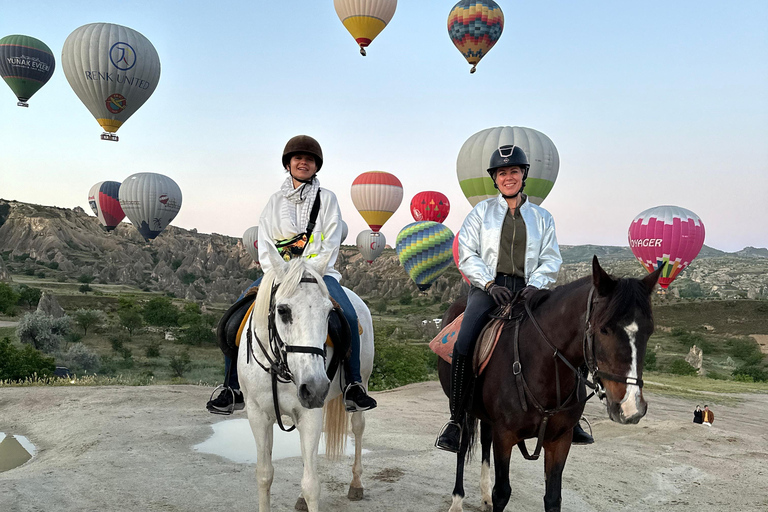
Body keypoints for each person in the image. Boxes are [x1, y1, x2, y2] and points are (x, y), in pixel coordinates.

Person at [435, 144, 592, 453]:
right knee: (465, 341)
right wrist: (488, 283)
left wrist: (536, 285)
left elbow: (550, 257)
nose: (509, 177)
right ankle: (456, 419)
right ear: (495, 179)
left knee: (574, 339)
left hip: (531, 290)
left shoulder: (542, 217)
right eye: (502, 173)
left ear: (524, 176)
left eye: (514, 172)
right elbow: (467, 252)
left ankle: (572, 419)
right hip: (489, 290)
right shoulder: (480, 213)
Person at [207, 135, 377, 414]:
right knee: (235, 318)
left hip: (319, 274)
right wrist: (279, 270)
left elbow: (331, 241)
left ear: (316, 166)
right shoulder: (274, 202)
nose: (303, 163)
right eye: (298, 158)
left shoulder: (328, 199)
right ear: (288, 164)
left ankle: (353, 385)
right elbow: (265, 242)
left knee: (347, 316)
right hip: (280, 273)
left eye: (309, 159)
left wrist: (310, 269)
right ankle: (232, 387)